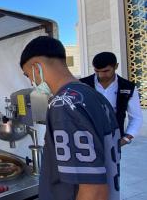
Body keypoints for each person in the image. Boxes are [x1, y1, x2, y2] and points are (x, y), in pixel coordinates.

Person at [20, 36, 120, 200]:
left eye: (28, 75)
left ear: (36, 67)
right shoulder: (94, 96)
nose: (32, 82)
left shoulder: (63, 104)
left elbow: (93, 191)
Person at [80, 52, 143, 146]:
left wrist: (125, 139)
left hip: (114, 140)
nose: (101, 75)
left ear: (116, 66)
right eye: (97, 71)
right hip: (85, 140)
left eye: (105, 71)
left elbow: (136, 117)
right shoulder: (82, 84)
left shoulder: (128, 87)